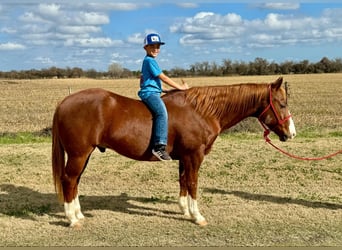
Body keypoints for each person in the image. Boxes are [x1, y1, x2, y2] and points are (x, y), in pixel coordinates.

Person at [138, 33, 189, 161]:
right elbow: (163, 77)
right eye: (152, 46)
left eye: (158, 47)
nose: (155, 49)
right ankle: (159, 147)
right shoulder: (150, 61)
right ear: (145, 47)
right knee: (162, 113)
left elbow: (147, 81)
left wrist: (167, 90)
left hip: (153, 91)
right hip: (150, 94)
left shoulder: (148, 61)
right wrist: (180, 87)